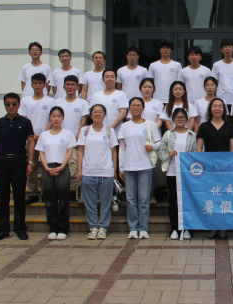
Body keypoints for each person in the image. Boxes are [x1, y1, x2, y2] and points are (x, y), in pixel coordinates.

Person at [0, 93, 35, 241]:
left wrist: (30, 162)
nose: (11, 107)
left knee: (19, 196)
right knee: (3, 197)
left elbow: (31, 142)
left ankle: (20, 229)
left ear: (18, 105)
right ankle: (3, 230)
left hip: (19, 161)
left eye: (14, 104)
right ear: (4, 105)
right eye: (8, 104)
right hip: (1, 161)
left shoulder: (25, 122)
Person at [119, 97, 162, 239]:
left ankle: (143, 228)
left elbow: (159, 143)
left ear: (143, 108)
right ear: (129, 108)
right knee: (131, 199)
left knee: (143, 200)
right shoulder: (125, 126)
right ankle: (133, 228)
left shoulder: (150, 125)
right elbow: (122, 148)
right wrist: (120, 167)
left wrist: (152, 147)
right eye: (133, 105)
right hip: (129, 166)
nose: (136, 107)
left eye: (138, 105)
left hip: (145, 166)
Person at [197, 98, 233, 239]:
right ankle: (213, 227)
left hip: (225, 169)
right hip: (209, 169)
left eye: (220, 106)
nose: (218, 109)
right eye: (215, 106)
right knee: (211, 197)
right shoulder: (203, 126)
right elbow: (199, 148)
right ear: (210, 109)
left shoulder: (229, 126)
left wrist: (232, 166)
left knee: (225, 197)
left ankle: (223, 228)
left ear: (224, 109)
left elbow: (232, 148)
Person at [77, 104, 119, 240]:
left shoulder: (109, 131)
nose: (97, 114)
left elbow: (114, 151)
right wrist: (79, 169)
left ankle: (103, 228)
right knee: (90, 203)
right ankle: (93, 227)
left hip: (106, 172)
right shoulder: (84, 130)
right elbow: (80, 151)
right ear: (91, 115)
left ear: (104, 115)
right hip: (88, 172)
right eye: (95, 112)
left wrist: (114, 170)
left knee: (106, 203)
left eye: (100, 112)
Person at [35, 106, 76, 241]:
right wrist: (46, 167)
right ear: (50, 118)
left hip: (62, 167)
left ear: (63, 118)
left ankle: (63, 229)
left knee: (63, 200)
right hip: (48, 168)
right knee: (49, 200)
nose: (56, 118)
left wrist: (62, 166)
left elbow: (69, 151)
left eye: (59, 116)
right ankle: (53, 229)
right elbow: (41, 152)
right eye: (53, 116)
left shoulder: (68, 134)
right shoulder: (44, 135)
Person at [159, 108, 197, 240]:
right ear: (173, 120)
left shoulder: (192, 135)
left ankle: (187, 228)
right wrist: (169, 154)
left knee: (188, 201)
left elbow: (197, 153)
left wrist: (191, 155)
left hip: (188, 174)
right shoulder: (168, 135)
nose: (180, 119)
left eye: (182, 117)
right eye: (177, 117)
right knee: (173, 202)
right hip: (172, 172)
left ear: (186, 119)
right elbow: (161, 152)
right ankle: (175, 228)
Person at [126, 77, 164, 206]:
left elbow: (160, 119)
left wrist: (150, 132)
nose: (147, 89)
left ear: (153, 89)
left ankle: (150, 194)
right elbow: (130, 119)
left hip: (153, 139)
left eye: (150, 87)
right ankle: (136, 197)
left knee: (151, 168)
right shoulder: (135, 102)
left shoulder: (158, 103)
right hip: (136, 138)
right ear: (140, 88)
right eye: (145, 87)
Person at [19, 73, 54, 205]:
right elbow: (23, 118)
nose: (38, 85)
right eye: (35, 83)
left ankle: (46, 193)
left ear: (45, 85)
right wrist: (31, 134)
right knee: (31, 166)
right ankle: (32, 193)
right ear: (31, 85)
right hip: (30, 140)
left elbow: (52, 119)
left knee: (47, 167)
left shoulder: (50, 101)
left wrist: (44, 134)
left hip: (46, 139)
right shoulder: (25, 101)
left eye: (40, 83)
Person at [53, 75, 89, 202]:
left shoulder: (82, 103)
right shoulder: (58, 102)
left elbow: (83, 120)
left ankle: (79, 194)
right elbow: (53, 119)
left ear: (77, 87)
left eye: (72, 84)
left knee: (77, 167)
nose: (70, 87)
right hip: (59, 140)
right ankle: (60, 195)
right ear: (63, 87)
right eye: (67, 84)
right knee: (60, 168)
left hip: (77, 141)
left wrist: (78, 135)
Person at [90, 69, 129, 136]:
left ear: (116, 79)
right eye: (107, 77)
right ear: (103, 79)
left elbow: (122, 114)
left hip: (116, 133)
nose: (109, 79)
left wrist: (110, 129)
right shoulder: (96, 95)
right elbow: (92, 113)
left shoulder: (121, 94)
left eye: (112, 77)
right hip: (98, 133)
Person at [212, 40, 233, 112]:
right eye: (225, 47)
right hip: (221, 98)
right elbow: (215, 83)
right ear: (221, 50)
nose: (228, 49)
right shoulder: (216, 65)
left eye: (230, 47)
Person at [148, 40, 182, 104]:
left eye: (168, 48)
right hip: (157, 97)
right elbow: (151, 81)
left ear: (171, 50)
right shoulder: (153, 65)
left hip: (173, 98)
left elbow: (179, 82)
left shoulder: (177, 65)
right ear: (160, 50)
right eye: (163, 48)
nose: (165, 50)